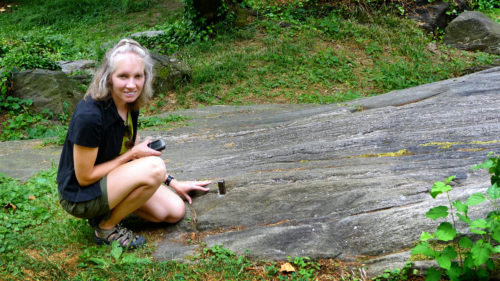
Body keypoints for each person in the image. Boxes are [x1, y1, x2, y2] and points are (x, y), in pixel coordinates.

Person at [56, 39, 211, 249]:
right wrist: (131, 156)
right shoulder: (90, 116)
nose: (132, 84)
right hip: (80, 196)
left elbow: (133, 148)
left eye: (138, 76)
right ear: (108, 77)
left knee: (174, 211)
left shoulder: (129, 103)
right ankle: (106, 228)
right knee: (154, 167)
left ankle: (107, 210)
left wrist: (173, 183)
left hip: (108, 180)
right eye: (123, 76)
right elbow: (84, 178)